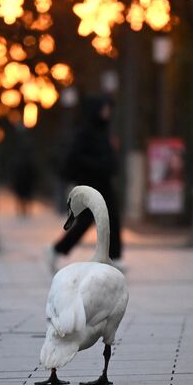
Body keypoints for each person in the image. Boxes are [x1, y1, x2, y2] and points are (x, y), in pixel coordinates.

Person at [47, 95, 124, 273]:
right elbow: (75, 158)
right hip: (90, 184)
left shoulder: (105, 131)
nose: (107, 111)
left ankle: (114, 257)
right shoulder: (85, 132)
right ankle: (56, 249)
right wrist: (98, 165)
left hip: (104, 183)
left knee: (113, 218)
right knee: (86, 221)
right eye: (104, 108)